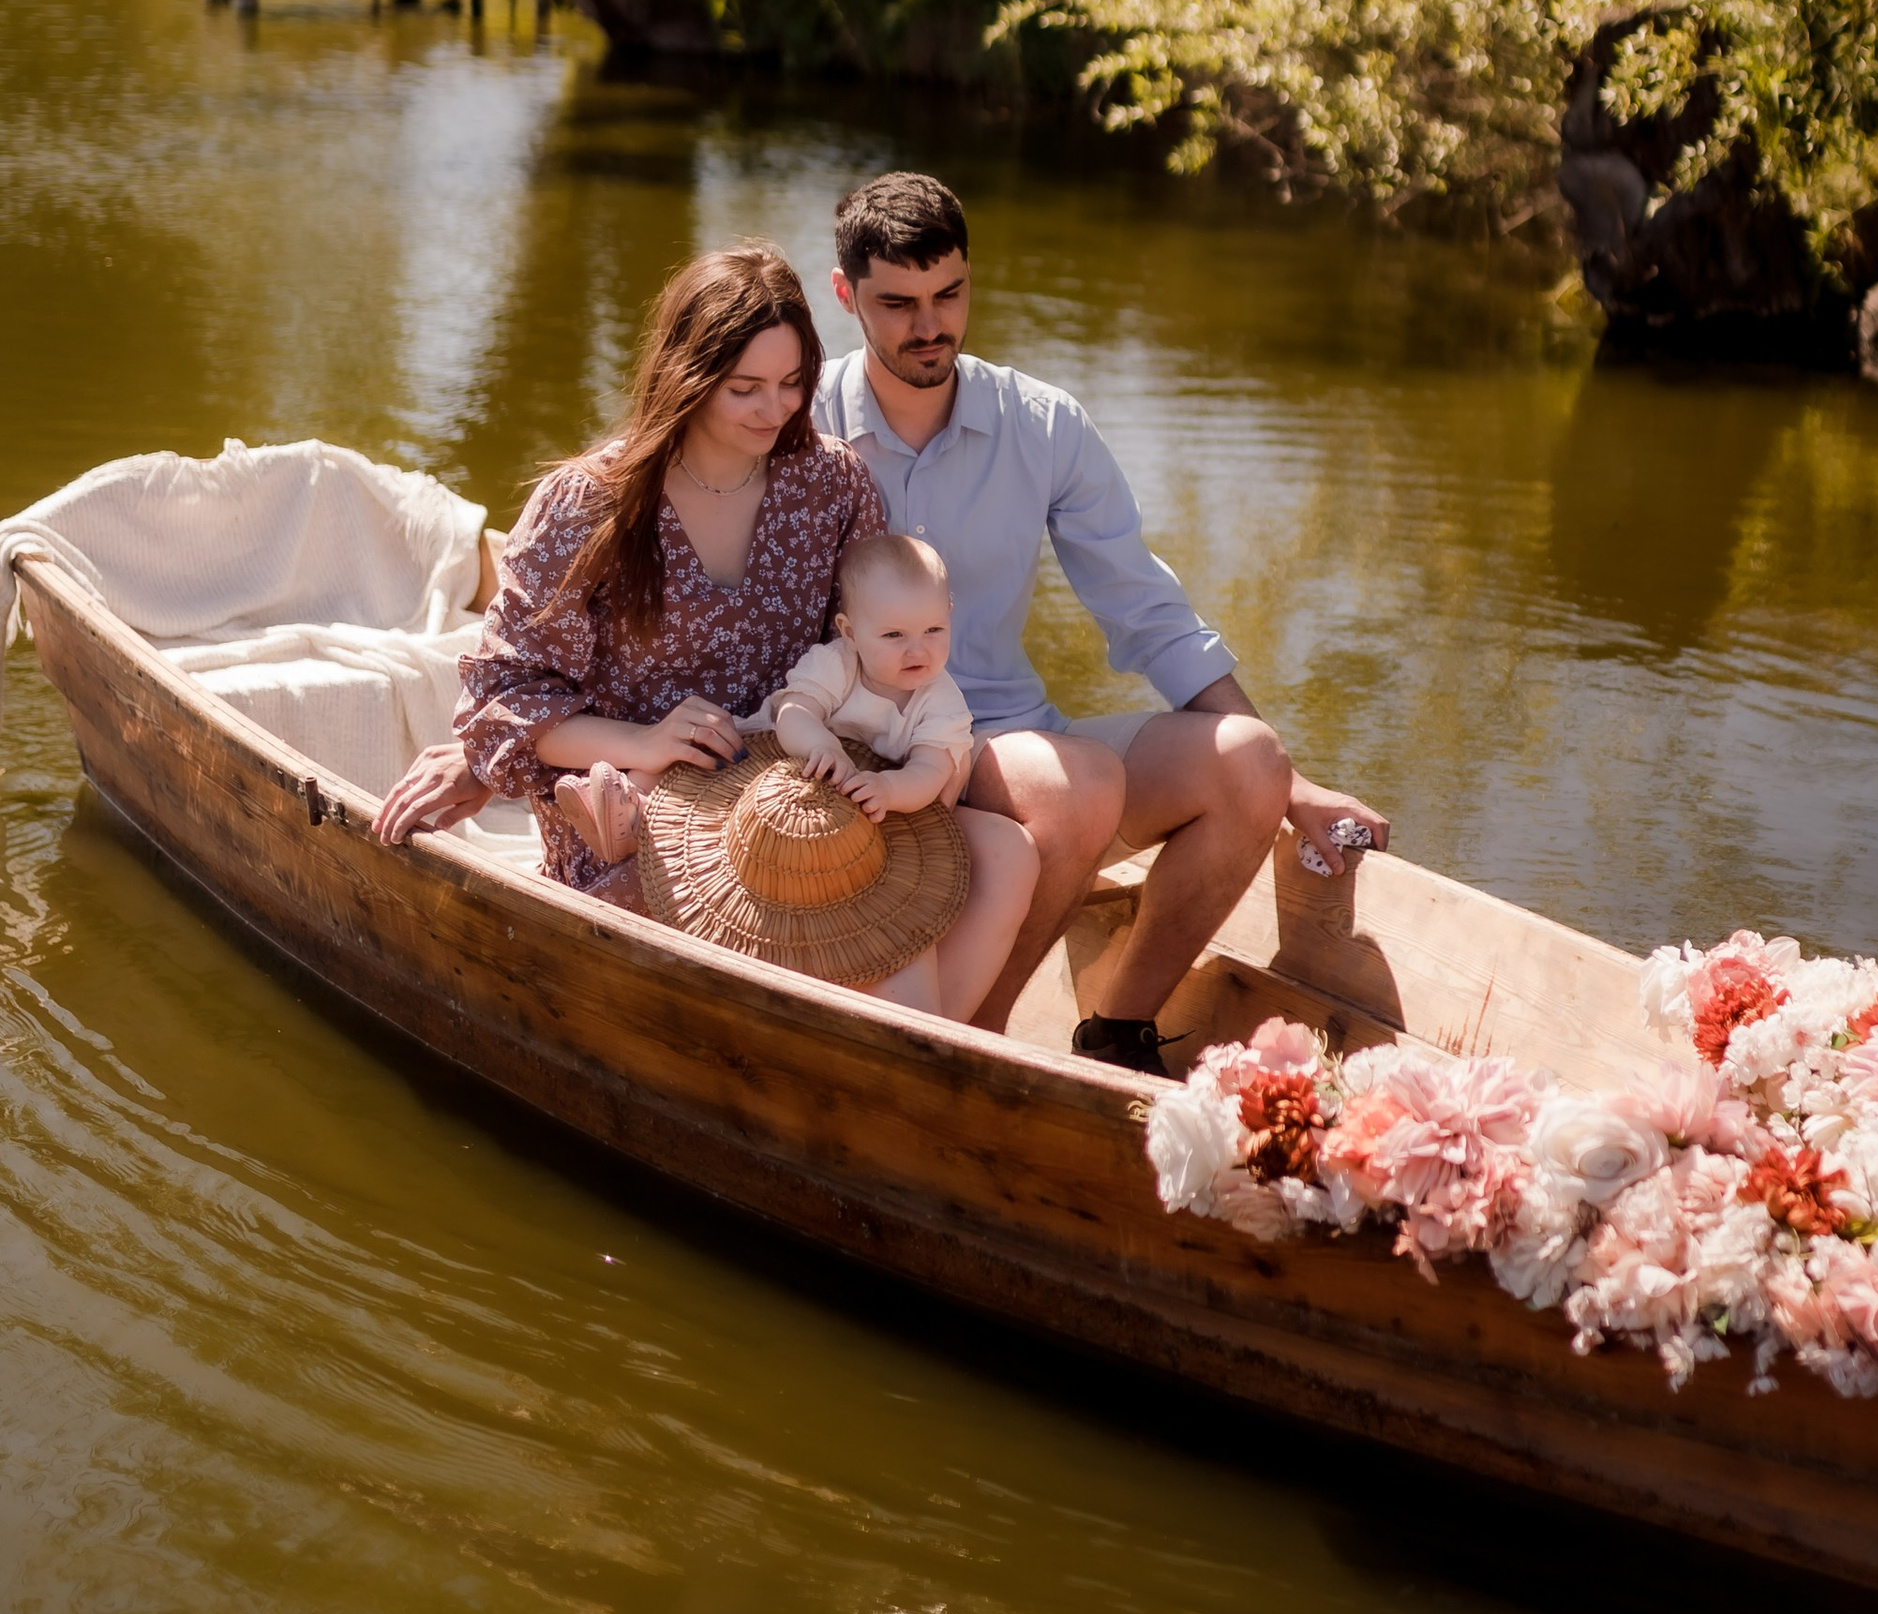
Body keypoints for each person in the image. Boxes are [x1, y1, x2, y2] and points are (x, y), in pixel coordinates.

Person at [812, 170, 1391, 1073]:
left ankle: (1113, 1034)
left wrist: (1298, 785)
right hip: (854, 746)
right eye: (898, 304)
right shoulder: (796, 419)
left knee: (1250, 765)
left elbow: (1146, 609)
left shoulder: (1041, 425)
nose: (930, 325)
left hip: (1002, 745)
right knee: (1075, 784)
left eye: (949, 294)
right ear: (846, 295)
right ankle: (977, 1043)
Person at [371, 245, 1036, 1021]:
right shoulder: (589, 505)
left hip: (800, 783)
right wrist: (642, 741)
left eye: (793, 384)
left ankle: (903, 1083)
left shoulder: (831, 483)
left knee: (1003, 853)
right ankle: (895, 1086)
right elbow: (499, 705)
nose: (775, 410)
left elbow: (869, 655)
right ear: (685, 375)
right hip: (644, 810)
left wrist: (918, 756)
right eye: (744, 388)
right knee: (884, 944)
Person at [767, 529, 976, 821]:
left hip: (889, 805)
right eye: (894, 635)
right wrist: (822, 745)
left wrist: (888, 788)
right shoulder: (838, 664)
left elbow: (929, 772)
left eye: (933, 630)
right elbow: (793, 712)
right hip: (806, 787)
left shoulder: (941, 701)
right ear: (850, 633)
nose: (917, 651)